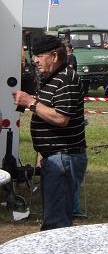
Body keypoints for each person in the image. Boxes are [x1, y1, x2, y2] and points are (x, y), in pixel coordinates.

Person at [12, 35, 87, 230]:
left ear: (54, 56)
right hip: (55, 157)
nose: (35, 60)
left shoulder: (67, 79)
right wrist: (43, 153)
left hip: (64, 157)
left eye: (39, 55)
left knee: (56, 225)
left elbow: (62, 119)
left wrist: (31, 102)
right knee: (53, 219)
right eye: (34, 55)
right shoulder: (53, 78)